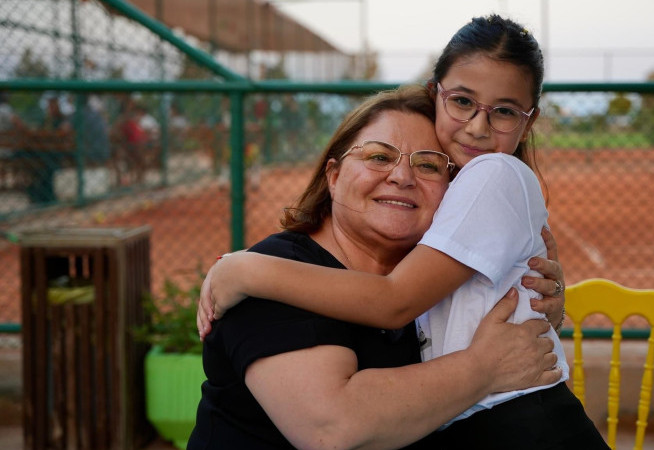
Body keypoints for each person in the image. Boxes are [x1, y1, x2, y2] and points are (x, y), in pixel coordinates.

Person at [198, 14, 608, 449]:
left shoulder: (437, 251)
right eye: (377, 157)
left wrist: (545, 301)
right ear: (333, 176)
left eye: (428, 165)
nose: (401, 177)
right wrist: (484, 367)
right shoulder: (280, 276)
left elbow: (405, 302)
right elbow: (334, 429)